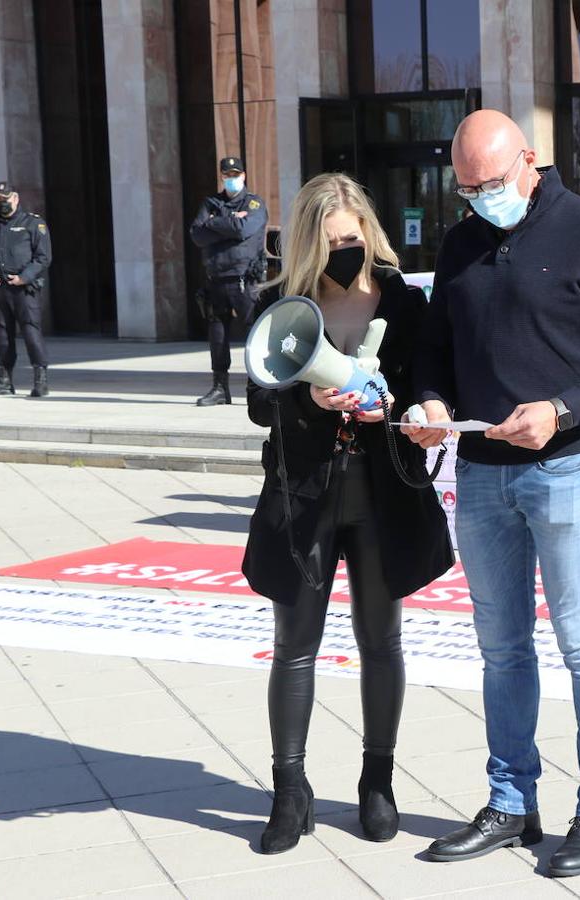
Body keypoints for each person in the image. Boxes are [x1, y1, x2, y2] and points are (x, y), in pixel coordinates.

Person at [405, 109, 580, 878]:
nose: (480, 198)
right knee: (501, 646)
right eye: (466, 187)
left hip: (569, 466)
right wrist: (432, 404)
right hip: (482, 469)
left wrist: (561, 409)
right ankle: (511, 801)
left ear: (530, 161)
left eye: (490, 183)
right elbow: (435, 349)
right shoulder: (460, 244)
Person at [240, 172, 455, 854]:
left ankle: (377, 781)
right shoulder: (283, 303)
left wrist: (418, 407)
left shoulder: (400, 298)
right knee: (294, 647)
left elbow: (430, 377)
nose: (345, 251)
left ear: (368, 233)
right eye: (332, 242)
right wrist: (311, 403)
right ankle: (289, 792)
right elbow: (256, 401)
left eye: (353, 239)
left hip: (382, 494)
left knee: (381, 640)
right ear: (309, 243)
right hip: (303, 497)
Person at [190, 156, 269, 406]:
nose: (232, 178)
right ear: (222, 176)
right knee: (217, 336)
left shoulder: (254, 203)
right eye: (227, 175)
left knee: (256, 335)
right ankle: (220, 388)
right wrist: (230, 220)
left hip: (246, 280)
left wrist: (214, 222)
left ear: (243, 175)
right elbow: (197, 235)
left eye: (236, 174)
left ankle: (262, 387)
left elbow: (244, 229)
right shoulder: (211, 202)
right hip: (216, 280)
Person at [0, 181, 53, 397]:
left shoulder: (32, 223)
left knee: (31, 332)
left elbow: (43, 257)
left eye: (5, 198)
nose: (2, 202)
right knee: (2, 335)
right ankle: (5, 381)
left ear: (15, 198)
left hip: (24, 290)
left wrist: (25, 277)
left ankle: (40, 380)